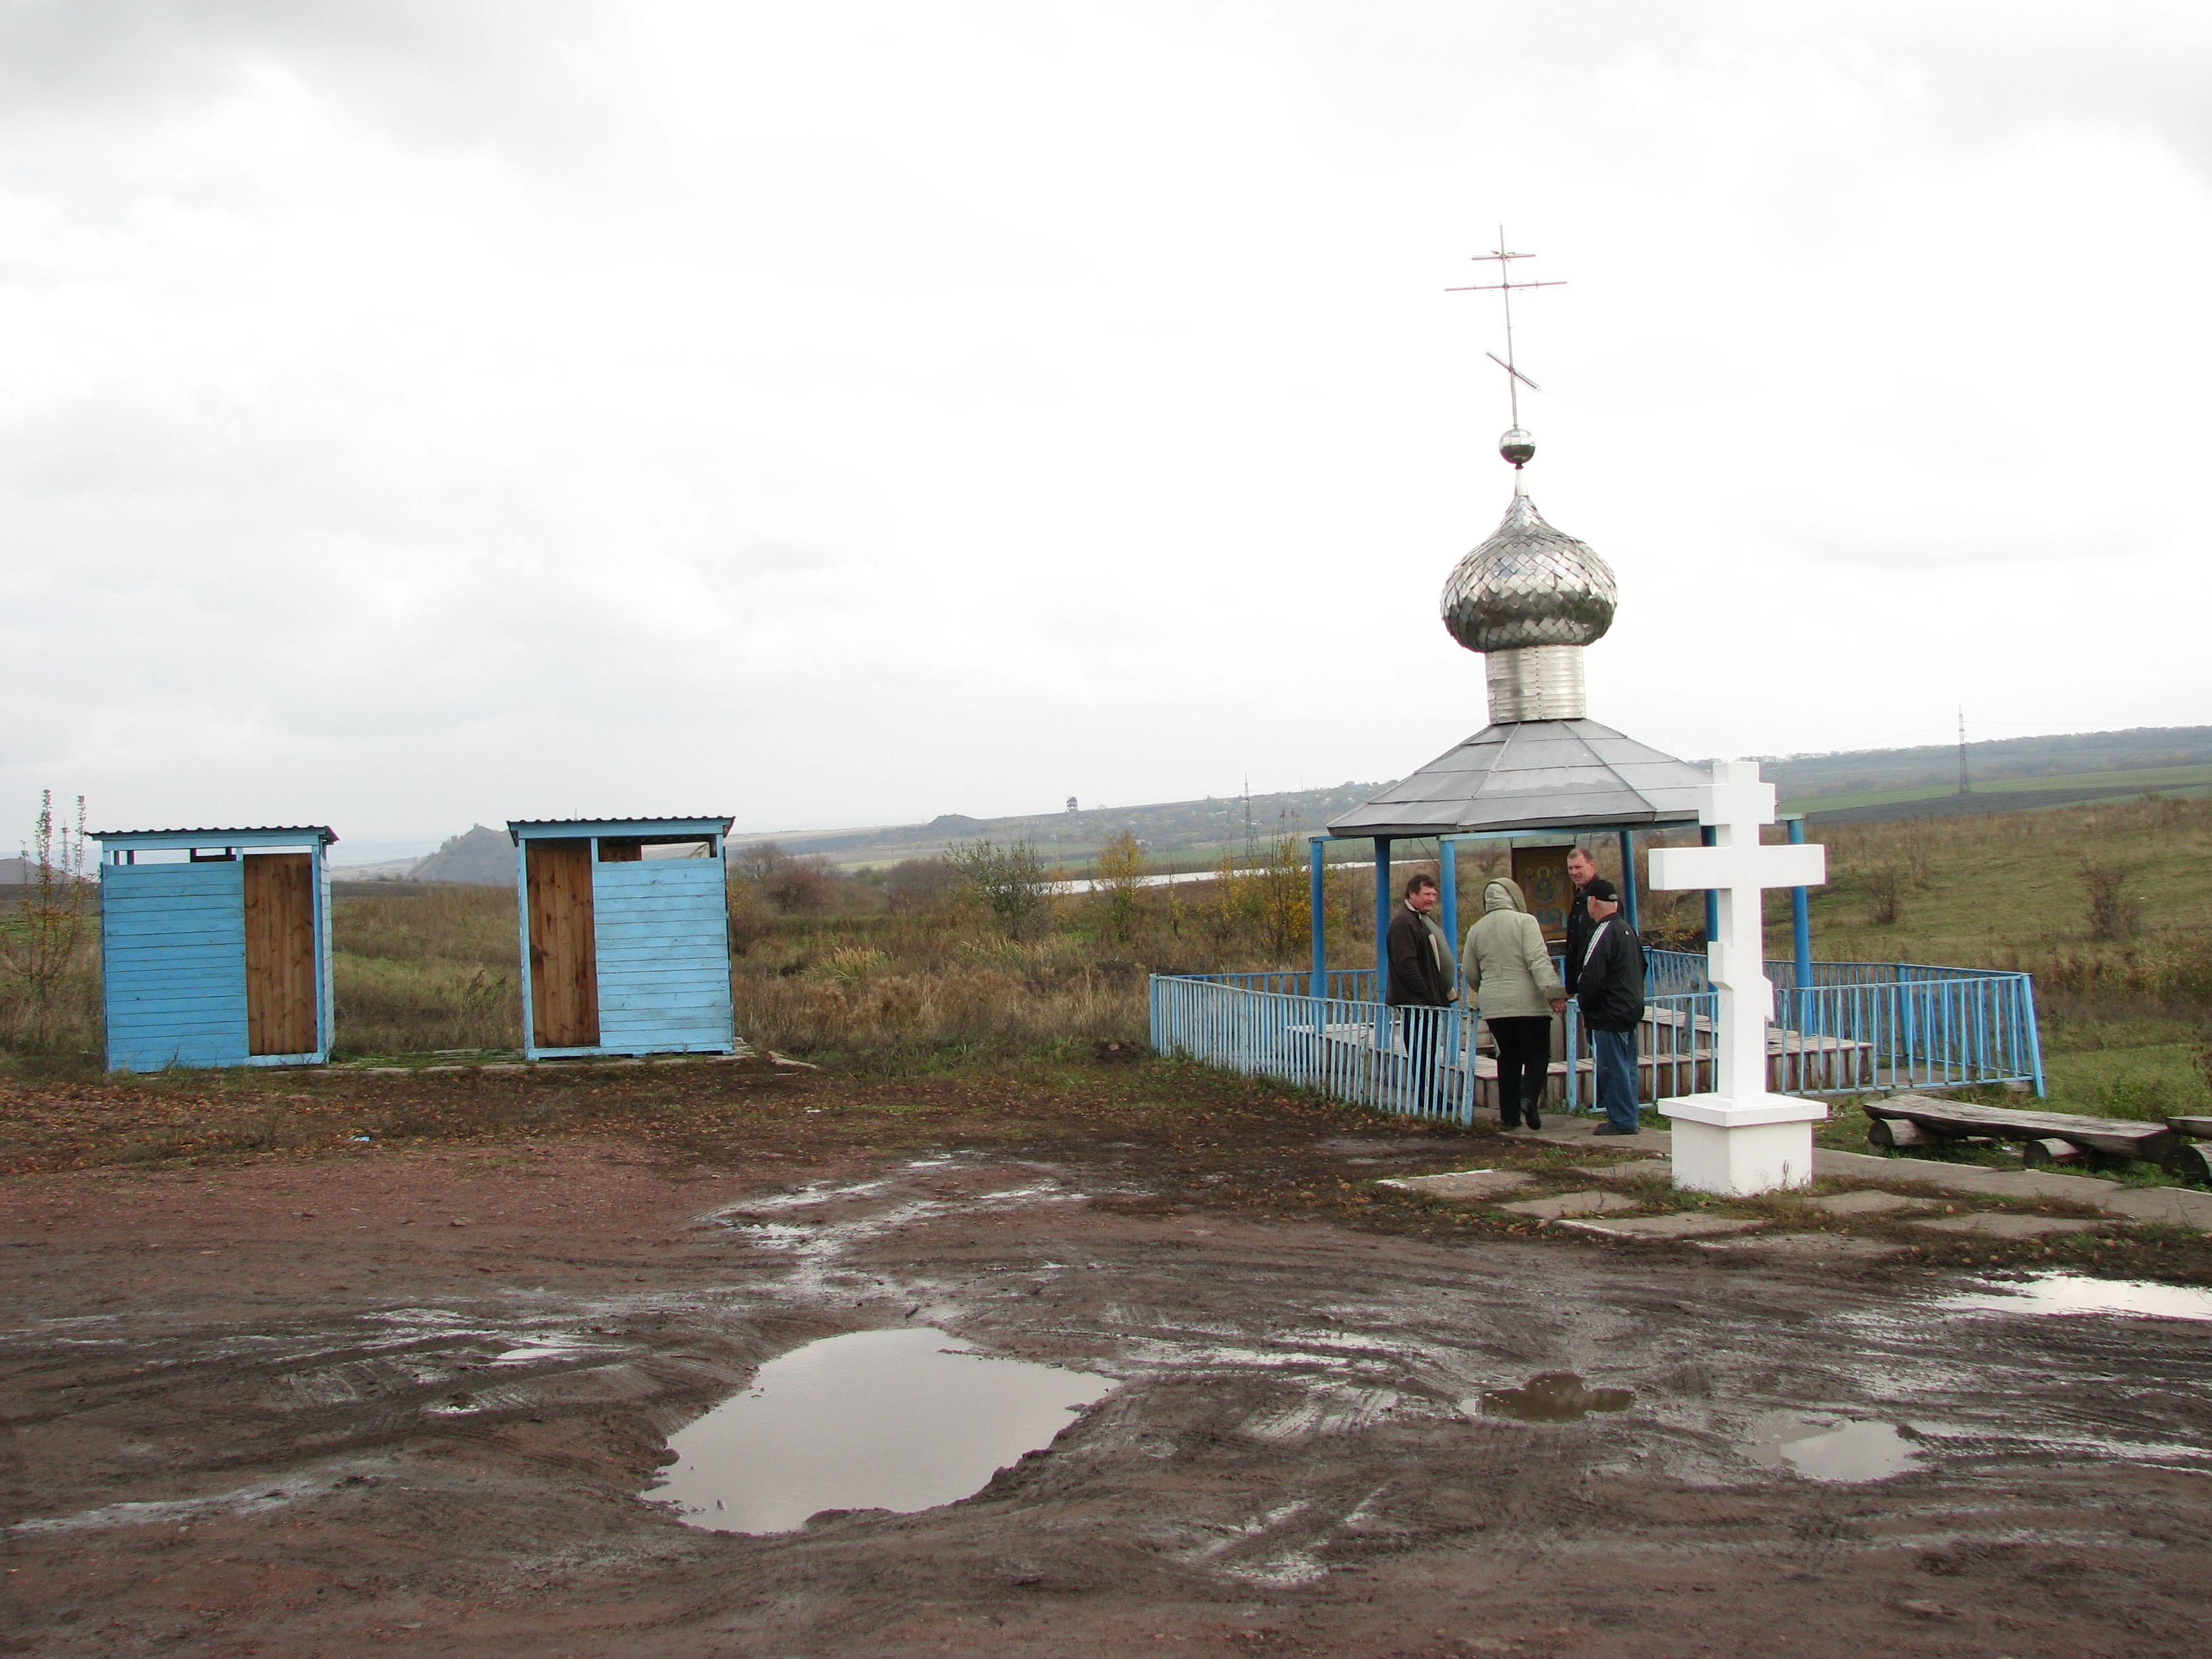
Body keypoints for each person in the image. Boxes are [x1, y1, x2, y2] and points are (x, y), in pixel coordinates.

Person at [1464, 876, 1568, 1131]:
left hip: (1495, 1005)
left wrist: (1486, 989)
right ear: (1514, 896)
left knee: (1508, 1056)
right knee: (1537, 1055)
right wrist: (1554, 992)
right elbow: (1538, 960)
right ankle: (1528, 1099)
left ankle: (1509, 1116)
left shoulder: (1476, 929)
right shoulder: (1525, 922)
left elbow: (1469, 970)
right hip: (1529, 1003)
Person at [1574, 876, 1645, 1135]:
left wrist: (1586, 1004)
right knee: (1627, 1067)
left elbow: (1591, 975)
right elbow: (1642, 967)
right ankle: (1629, 1114)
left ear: (1593, 901)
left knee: (1612, 1067)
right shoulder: (1627, 929)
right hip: (1630, 1008)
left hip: (1609, 1011)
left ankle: (1623, 1120)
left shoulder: (1603, 931)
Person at [1385, 872, 1455, 1107]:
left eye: (1434, 894)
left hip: (1426, 1002)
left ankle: (1431, 1097)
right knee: (1422, 1052)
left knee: (1429, 1052)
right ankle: (1429, 1099)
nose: (1432, 899)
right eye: (1427, 894)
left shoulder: (1418, 920)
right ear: (1412, 894)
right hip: (1417, 1003)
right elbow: (1406, 963)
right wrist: (1426, 993)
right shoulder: (1404, 922)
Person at [1561, 845, 1599, 996]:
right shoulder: (1579, 897)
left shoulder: (1602, 895)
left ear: (1592, 865)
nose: (1574, 872)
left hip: (1596, 982)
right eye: (1570, 868)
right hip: (1582, 983)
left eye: (1578, 867)